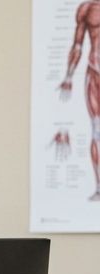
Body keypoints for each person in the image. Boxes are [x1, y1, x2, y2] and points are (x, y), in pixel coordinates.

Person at [61, 0, 100, 200]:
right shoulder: (86, 9)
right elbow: (77, 46)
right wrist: (68, 76)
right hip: (94, 75)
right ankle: (99, 187)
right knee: (97, 131)